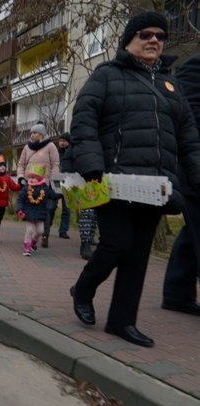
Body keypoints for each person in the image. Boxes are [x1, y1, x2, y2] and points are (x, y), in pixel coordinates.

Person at [69, 11, 200, 347]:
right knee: (116, 243)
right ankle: (83, 288)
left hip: (155, 187)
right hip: (112, 181)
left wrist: (196, 177)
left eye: (160, 35)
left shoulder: (171, 86)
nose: (154, 40)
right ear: (128, 40)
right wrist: (92, 169)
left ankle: (121, 321)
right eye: (145, 34)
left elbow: (188, 138)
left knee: (138, 256)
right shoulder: (106, 76)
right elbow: (84, 121)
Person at [161, 53, 200, 316]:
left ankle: (177, 294)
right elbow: (186, 117)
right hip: (194, 167)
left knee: (192, 233)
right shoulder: (195, 67)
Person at [16, 122, 60, 247]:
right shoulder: (26, 147)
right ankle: (29, 238)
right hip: (28, 184)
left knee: (43, 211)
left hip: (43, 186)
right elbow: (21, 164)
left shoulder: (51, 146)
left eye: (34, 133)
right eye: (31, 133)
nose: (32, 135)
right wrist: (20, 178)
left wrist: (52, 181)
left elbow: (55, 164)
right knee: (29, 210)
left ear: (41, 134)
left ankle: (41, 234)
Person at [16, 163, 58, 256]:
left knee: (40, 231)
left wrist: (63, 192)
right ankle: (27, 247)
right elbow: (20, 200)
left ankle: (33, 242)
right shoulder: (26, 189)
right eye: (29, 177)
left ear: (39, 179)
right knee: (30, 230)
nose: (30, 179)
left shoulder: (45, 189)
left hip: (40, 214)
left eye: (33, 177)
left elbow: (54, 196)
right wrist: (19, 210)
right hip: (28, 213)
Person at [44, 132, 72, 240]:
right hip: (55, 183)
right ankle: (48, 226)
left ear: (69, 142)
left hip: (68, 183)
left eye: (64, 141)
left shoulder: (72, 152)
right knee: (51, 207)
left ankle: (63, 230)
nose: (62, 143)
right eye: (60, 140)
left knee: (67, 209)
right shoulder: (55, 152)